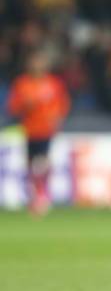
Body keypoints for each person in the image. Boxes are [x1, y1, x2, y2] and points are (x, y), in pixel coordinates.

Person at [6, 50, 71, 214]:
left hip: (46, 130)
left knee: (42, 163)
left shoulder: (53, 83)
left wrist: (57, 116)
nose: (37, 66)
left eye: (40, 62)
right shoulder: (22, 84)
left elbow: (62, 104)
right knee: (30, 165)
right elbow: (12, 107)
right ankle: (34, 196)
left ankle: (42, 195)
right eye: (34, 62)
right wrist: (24, 106)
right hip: (29, 130)